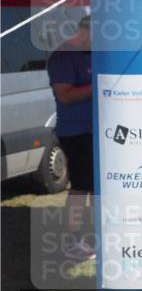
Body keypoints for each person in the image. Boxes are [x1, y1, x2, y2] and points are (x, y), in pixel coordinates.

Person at [46, 15, 95, 260]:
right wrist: (99, 84)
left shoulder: (92, 53)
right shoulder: (63, 56)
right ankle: (72, 242)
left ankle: (100, 237)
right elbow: (64, 95)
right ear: (85, 30)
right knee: (81, 187)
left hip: (98, 131)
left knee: (98, 188)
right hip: (76, 132)